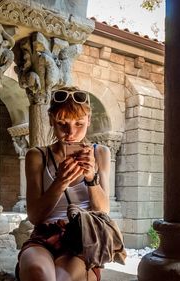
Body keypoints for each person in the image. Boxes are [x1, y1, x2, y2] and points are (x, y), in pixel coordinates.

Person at [17, 87, 111, 281]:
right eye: (63, 124)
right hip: (44, 235)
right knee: (38, 273)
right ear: (51, 120)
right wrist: (60, 182)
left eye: (79, 124)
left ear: (89, 120)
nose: (71, 133)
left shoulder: (100, 153)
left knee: (63, 278)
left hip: (82, 237)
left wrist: (91, 178)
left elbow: (103, 212)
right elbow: (34, 216)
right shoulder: (37, 156)